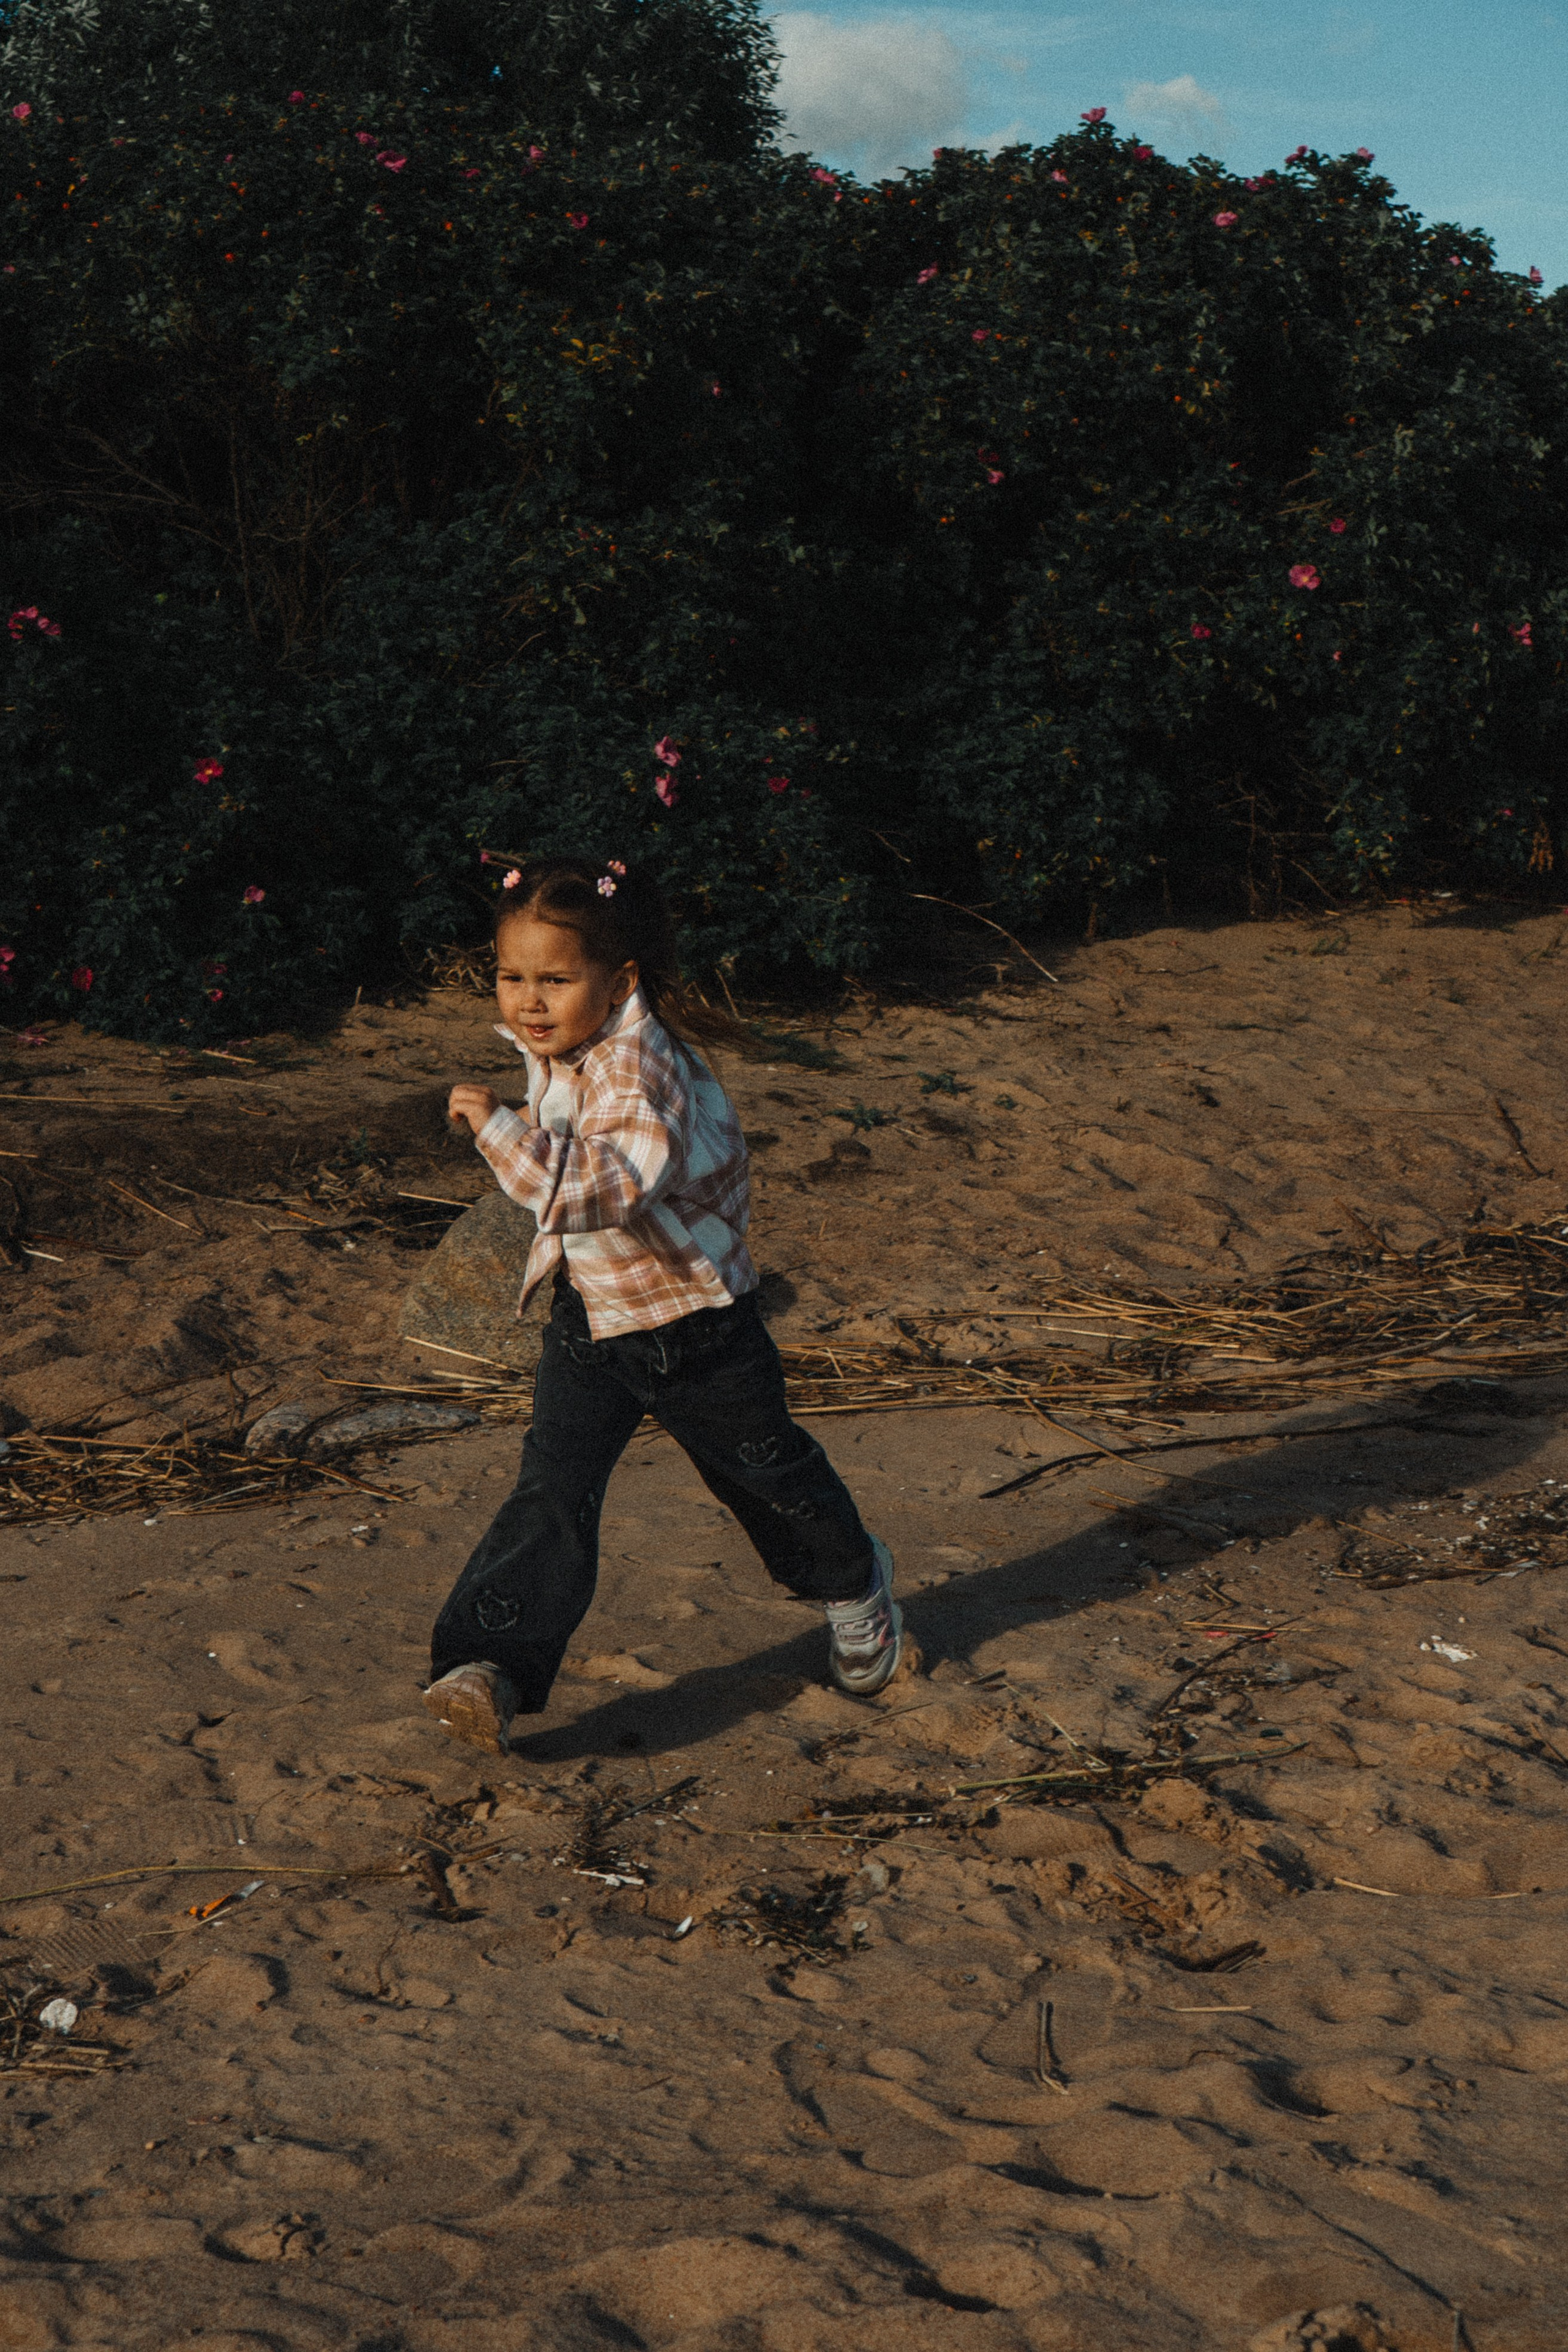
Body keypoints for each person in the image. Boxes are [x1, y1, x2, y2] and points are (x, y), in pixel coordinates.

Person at [426, 853, 908, 1754]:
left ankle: (853, 1586)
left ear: (621, 981)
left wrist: (501, 1132)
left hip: (700, 1326)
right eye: (512, 976)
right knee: (553, 1489)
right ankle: (488, 1667)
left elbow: (608, 1187)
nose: (529, 1002)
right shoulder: (565, 1048)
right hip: (594, 1321)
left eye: (556, 980)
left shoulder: (642, 1071)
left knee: (765, 1474)